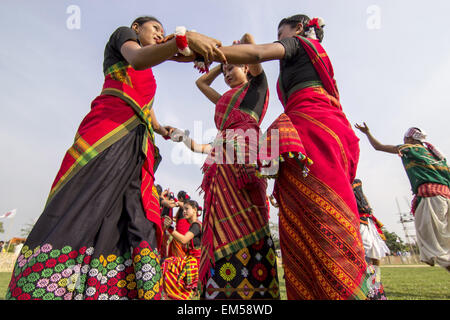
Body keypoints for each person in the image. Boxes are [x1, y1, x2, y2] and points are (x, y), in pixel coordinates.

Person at [5, 16, 225, 300]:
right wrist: (184, 39)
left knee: (135, 216)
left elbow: (150, 94)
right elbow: (140, 59)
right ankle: (41, 288)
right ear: (136, 28)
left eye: (162, 30)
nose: (160, 33)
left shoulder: (153, 61)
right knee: (83, 204)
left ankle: (117, 289)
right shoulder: (124, 39)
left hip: (136, 146)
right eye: (154, 28)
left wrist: (160, 127)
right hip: (107, 135)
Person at [200, 14, 372, 300]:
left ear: (300, 29)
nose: (280, 39)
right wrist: (222, 62)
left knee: (325, 216)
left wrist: (209, 49)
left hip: (312, 133)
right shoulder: (299, 67)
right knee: (299, 223)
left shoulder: (295, 49)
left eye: (281, 33)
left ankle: (345, 290)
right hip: (298, 132)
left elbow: (255, 51)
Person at [177, 33, 280, 300]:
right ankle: (221, 290)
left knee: (249, 216)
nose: (226, 74)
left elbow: (249, 39)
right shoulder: (225, 97)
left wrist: (229, 50)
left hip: (245, 159)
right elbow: (201, 81)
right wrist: (218, 61)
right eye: (224, 71)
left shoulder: (257, 87)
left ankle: (256, 290)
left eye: (231, 67)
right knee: (219, 221)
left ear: (245, 66)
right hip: (222, 163)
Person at [355, 124, 450, 271]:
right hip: (446, 198)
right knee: (445, 243)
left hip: (431, 197)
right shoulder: (437, 155)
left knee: (434, 246)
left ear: (409, 138)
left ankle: (433, 257)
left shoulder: (409, 149)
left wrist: (367, 133)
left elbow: (378, 146)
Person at [352, 178, 389, 300]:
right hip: (359, 222)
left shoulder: (356, 182)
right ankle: (370, 288)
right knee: (364, 254)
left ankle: (375, 285)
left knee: (373, 254)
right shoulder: (348, 182)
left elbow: (364, 199)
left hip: (366, 221)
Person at [162, 200, 202, 300]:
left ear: (195, 210)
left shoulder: (196, 225)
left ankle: (180, 295)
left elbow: (184, 240)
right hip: (190, 259)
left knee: (167, 264)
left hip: (195, 261)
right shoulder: (193, 225)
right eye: (183, 209)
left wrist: (170, 228)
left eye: (187, 209)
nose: (184, 211)